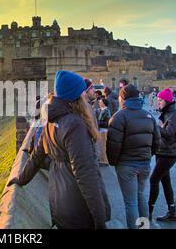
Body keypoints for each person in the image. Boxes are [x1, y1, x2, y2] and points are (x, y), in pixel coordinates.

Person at [8, 71, 110, 229]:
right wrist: (99, 218)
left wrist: (21, 178)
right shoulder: (75, 124)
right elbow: (85, 175)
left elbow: (37, 156)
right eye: (82, 90)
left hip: (59, 200)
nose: (85, 92)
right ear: (75, 95)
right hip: (78, 206)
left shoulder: (51, 119)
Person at [106, 84, 161, 229]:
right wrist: (147, 155)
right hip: (144, 164)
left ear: (122, 98)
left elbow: (113, 145)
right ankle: (144, 227)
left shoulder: (119, 117)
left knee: (131, 203)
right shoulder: (148, 115)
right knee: (141, 196)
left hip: (126, 165)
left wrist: (114, 162)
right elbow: (157, 142)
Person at [149, 88, 176, 222]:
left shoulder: (174, 115)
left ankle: (148, 212)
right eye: (157, 100)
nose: (158, 103)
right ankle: (172, 212)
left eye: (160, 100)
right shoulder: (167, 113)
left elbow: (169, 134)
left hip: (168, 154)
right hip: (162, 152)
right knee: (165, 181)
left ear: (167, 101)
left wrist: (156, 127)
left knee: (154, 180)